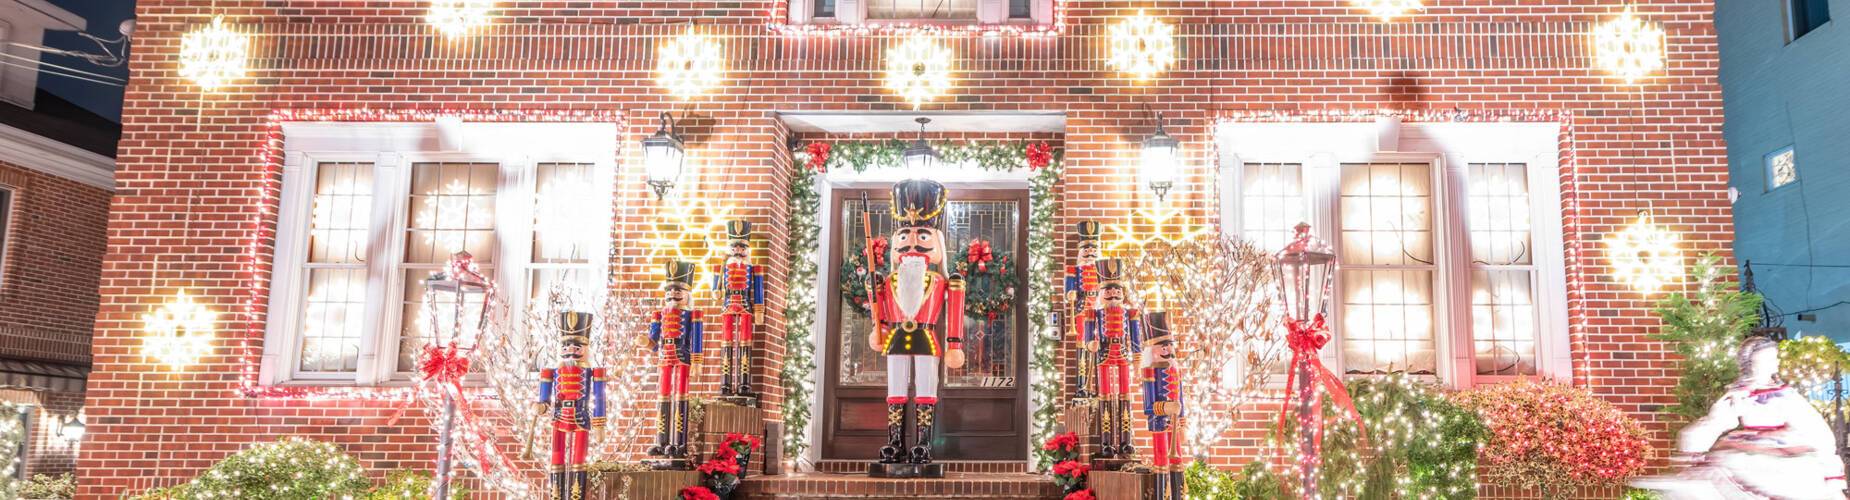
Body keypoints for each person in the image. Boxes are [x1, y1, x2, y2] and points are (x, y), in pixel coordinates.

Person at [1632, 336, 1848, 499]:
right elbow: (1718, 421)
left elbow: (1812, 425)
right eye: (1767, 359)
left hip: (1784, 454)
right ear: (1751, 363)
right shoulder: (1739, 394)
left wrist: (1827, 459)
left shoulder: (1784, 394)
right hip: (1745, 453)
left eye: (1774, 358)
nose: (1774, 363)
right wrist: (1693, 444)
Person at [865, 178, 966, 474]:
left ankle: (923, 442)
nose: (911, 242)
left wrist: (954, 345)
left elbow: (956, 311)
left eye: (922, 235)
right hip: (895, 337)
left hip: (926, 336)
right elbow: (880, 309)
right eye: (904, 235)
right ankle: (894, 441)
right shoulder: (887, 280)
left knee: (925, 388)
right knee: (894, 389)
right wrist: (877, 323)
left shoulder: (944, 280)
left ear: (937, 243)